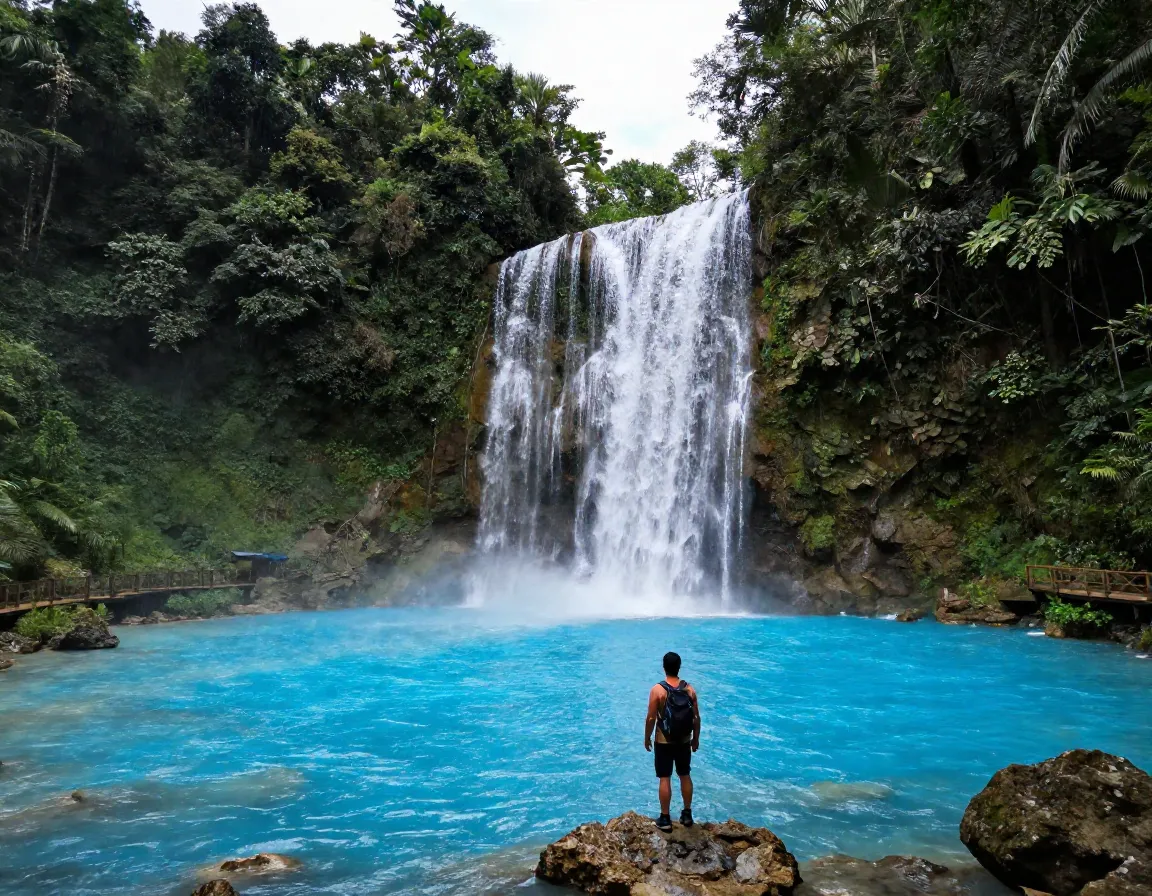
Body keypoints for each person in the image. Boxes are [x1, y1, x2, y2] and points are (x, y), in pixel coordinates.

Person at [644, 651, 700, 832]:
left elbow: (651, 718)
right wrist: (696, 739)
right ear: (679, 667)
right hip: (684, 740)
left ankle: (665, 817)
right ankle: (687, 814)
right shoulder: (689, 689)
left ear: (664, 667)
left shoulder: (657, 690)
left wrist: (647, 738)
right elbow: (697, 718)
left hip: (664, 741)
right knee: (685, 775)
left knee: (664, 777)